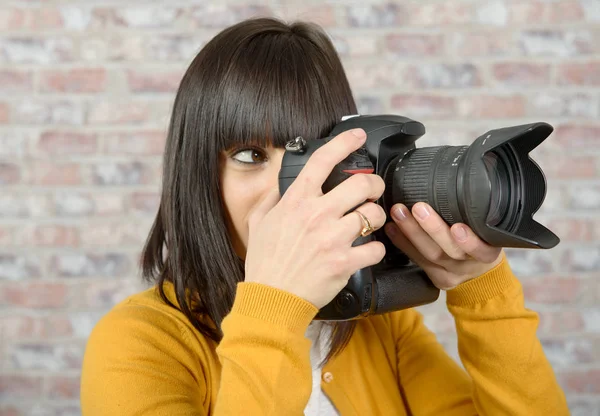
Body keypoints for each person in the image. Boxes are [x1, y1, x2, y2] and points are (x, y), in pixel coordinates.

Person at [80, 17, 569, 415]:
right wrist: (275, 307)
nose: (292, 191)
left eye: (315, 158)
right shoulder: (139, 343)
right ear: (198, 176)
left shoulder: (383, 330)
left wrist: (480, 287)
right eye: (251, 156)